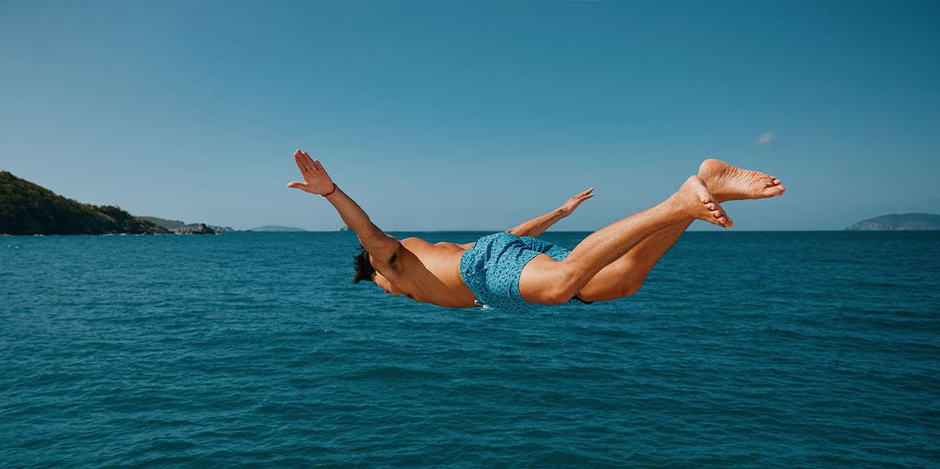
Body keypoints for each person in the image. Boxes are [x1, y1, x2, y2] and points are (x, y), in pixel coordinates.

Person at [288, 150, 784, 310]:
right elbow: (507, 236)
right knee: (621, 283)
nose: (392, 293)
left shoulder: (387, 261)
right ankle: (700, 198)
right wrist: (560, 213)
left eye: (380, 285)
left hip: (483, 269)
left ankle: (678, 200)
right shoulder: (420, 257)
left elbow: (366, 230)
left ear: (373, 273)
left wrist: (332, 193)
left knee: (564, 282)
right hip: (494, 258)